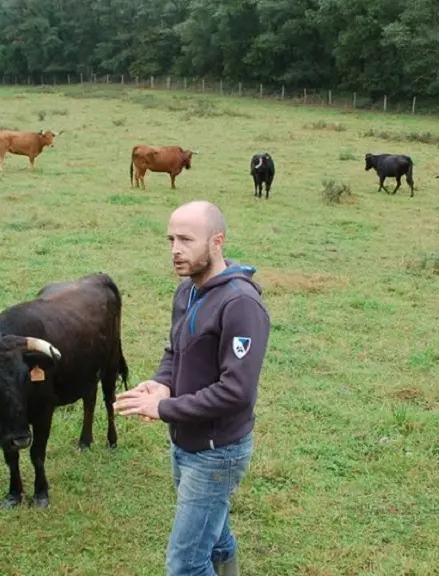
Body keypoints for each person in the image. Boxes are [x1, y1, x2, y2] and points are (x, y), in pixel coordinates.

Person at [114, 200, 271, 576]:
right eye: (170, 239)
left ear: (217, 242)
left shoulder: (241, 304)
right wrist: (163, 383)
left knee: (184, 563)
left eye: (186, 239)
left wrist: (164, 409)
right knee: (213, 534)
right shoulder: (187, 292)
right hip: (186, 440)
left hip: (218, 452)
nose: (175, 250)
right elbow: (175, 350)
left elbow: (237, 391)